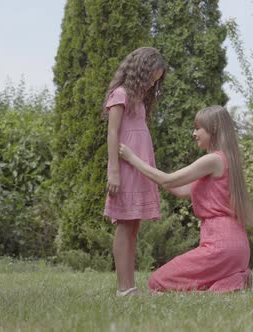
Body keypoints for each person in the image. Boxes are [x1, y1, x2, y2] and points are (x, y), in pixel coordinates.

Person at [119, 105, 253, 293]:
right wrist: (148, 163)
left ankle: (232, 282)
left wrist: (132, 158)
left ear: (213, 129)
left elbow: (167, 179)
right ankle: (232, 281)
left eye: (198, 128)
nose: (194, 133)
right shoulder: (226, 160)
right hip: (237, 247)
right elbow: (180, 189)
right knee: (181, 283)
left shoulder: (212, 160)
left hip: (220, 246)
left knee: (157, 282)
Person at [103, 47, 166, 297]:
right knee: (124, 225)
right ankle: (123, 288)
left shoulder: (140, 101)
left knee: (133, 225)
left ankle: (130, 287)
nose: (153, 83)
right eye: (152, 77)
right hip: (125, 167)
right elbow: (113, 134)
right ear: (141, 71)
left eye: (157, 80)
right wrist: (113, 171)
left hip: (138, 166)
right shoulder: (120, 95)